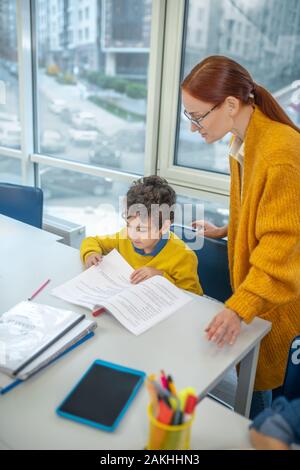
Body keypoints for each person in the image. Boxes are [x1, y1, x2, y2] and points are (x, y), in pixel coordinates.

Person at [181, 55, 300, 418]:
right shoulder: (245, 140)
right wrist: (230, 229)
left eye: (197, 116)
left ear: (231, 104)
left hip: (281, 305)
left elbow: (283, 243)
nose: (193, 128)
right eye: (189, 117)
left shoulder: (280, 152)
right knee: (254, 387)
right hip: (262, 299)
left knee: (269, 406)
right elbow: (263, 209)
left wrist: (239, 307)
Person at [80, 175, 203, 295]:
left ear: (164, 227)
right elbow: (92, 241)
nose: (132, 235)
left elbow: (192, 296)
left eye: (142, 229)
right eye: (129, 225)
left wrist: (160, 277)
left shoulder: (184, 257)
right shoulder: (124, 237)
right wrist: (91, 254)